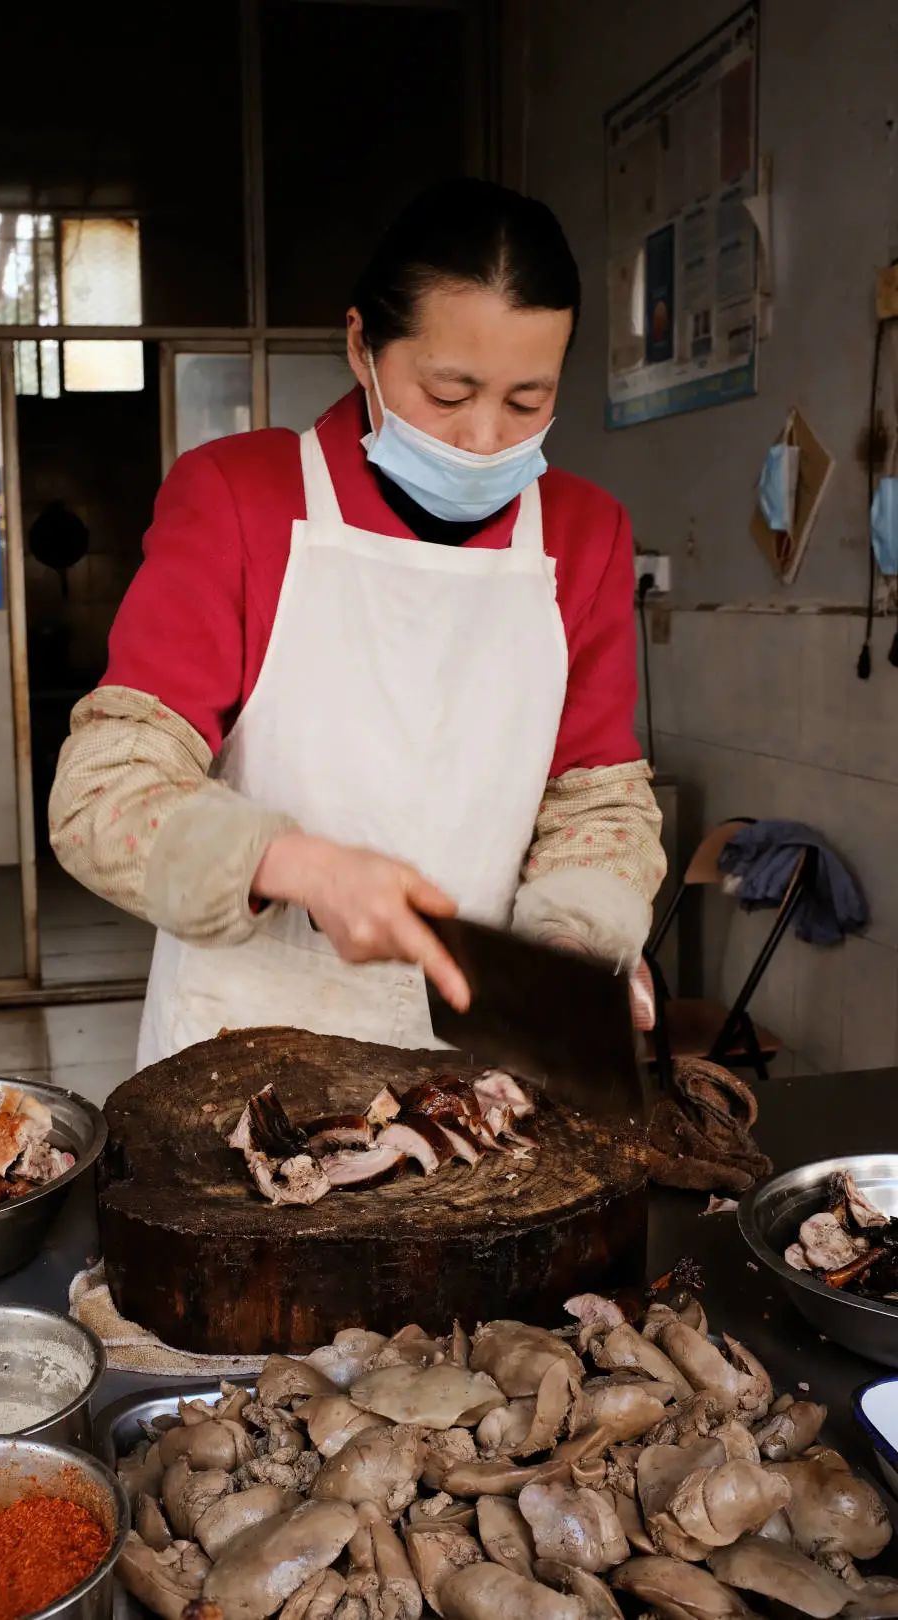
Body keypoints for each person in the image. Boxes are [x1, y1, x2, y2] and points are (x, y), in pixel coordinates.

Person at [50, 179, 665, 1069]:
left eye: (528, 400)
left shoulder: (583, 533)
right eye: (450, 393)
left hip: (480, 1053)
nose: (486, 436)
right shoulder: (239, 499)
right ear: (361, 347)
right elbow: (102, 792)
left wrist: (572, 947)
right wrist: (300, 865)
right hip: (244, 1047)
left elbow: (596, 798)